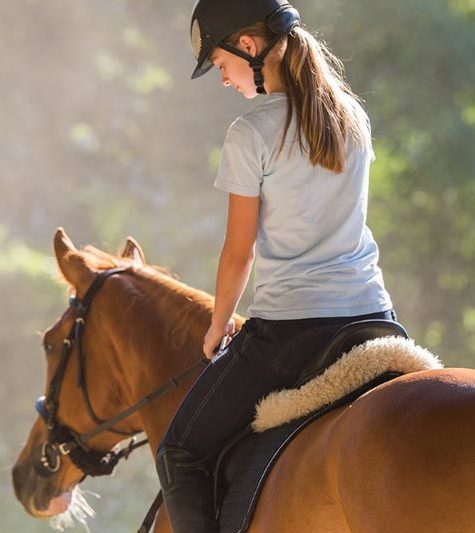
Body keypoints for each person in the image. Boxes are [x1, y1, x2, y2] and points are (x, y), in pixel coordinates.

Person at [156, 0, 398, 531]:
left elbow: (237, 252)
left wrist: (218, 327)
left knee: (179, 451)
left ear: (249, 47)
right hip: (373, 317)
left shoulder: (251, 133)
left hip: (294, 329)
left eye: (221, 65)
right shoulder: (352, 115)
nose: (223, 79)